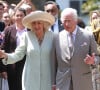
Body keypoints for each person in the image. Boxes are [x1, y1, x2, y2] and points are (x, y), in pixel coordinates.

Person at [0, 10, 56, 90]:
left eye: (39, 23)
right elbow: (18, 54)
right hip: (30, 78)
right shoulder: (27, 36)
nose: (36, 26)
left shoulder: (53, 36)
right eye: (34, 23)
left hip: (48, 79)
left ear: (44, 23)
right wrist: (5, 56)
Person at [54, 8, 100, 90]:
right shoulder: (57, 37)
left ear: (75, 21)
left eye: (69, 21)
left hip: (83, 83)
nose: (67, 24)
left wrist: (93, 61)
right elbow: (54, 62)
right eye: (64, 21)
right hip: (63, 84)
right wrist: (53, 83)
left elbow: (97, 57)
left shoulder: (88, 36)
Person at [0, 8, 27, 90]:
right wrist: (3, 69)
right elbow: (3, 49)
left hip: (27, 66)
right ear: (14, 17)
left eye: (21, 15)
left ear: (25, 16)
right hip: (12, 67)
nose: (19, 17)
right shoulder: (8, 30)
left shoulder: (30, 30)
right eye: (17, 15)